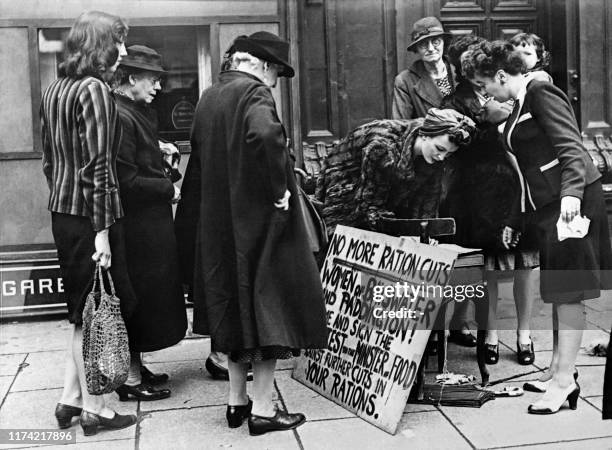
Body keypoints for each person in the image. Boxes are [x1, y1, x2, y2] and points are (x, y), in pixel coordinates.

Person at [179, 31, 328, 435]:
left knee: (234, 312)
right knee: (269, 314)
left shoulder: (211, 95)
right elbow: (265, 136)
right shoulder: (255, 94)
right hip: (260, 228)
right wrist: (278, 189)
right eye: (277, 72)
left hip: (220, 229)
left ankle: (236, 402)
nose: (276, 81)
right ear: (262, 64)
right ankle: (263, 409)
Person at [463, 40, 612, 414]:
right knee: (559, 290)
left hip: (569, 203)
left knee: (568, 291)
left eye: (485, 87)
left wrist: (570, 201)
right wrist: (517, 217)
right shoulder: (520, 104)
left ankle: (563, 383)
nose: (484, 96)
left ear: (500, 75)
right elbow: (527, 170)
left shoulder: (541, 91)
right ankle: (560, 371)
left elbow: (572, 149)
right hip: (548, 207)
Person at [40, 10, 137, 435]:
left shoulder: (55, 89)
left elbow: (49, 161)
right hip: (91, 218)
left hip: (64, 213)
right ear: (102, 45)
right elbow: (98, 168)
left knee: (83, 311)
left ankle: (70, 399)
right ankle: (98, 408)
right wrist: (101, 232)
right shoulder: (94, 89)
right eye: (119, 41)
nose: (124, 50)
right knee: (96, 311)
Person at [442, 35, 539, 366]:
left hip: (521, 187)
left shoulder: (517, 90)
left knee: (527, 262)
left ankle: (524, 336)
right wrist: (488, 122)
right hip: (482, 193)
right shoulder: (454, 102)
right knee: (490, 267)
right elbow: (457, 148)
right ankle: (491, 334)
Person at [113, 45, 188, 401]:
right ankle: (129, 379)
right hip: (137, 229)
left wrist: (161, 155)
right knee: (137, 300)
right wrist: (167, 188)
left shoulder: (131, 112)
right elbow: (125, 182)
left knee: (144, 300)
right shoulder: (122, 116)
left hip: (147, 227)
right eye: (152, 79)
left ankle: (136, 369)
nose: (158, 87)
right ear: (130, 79)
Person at [316, 108, 475, 234]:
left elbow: (428, 200)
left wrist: (424, 234)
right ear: (425, 135)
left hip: (381, 195)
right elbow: (370, 204)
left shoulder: (433, 155)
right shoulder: (383, 147)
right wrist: (406, 235)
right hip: (345, 190)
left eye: (448, 153)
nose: (441, 157)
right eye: (439, 149)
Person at [392, 16, 455, 120]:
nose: (430, 49)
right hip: (428, 136)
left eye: (436, 42)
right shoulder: (405, 81)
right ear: (416, 49)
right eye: (423, 44)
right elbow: (401, 125)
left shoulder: (462, 71)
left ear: (444, 43)